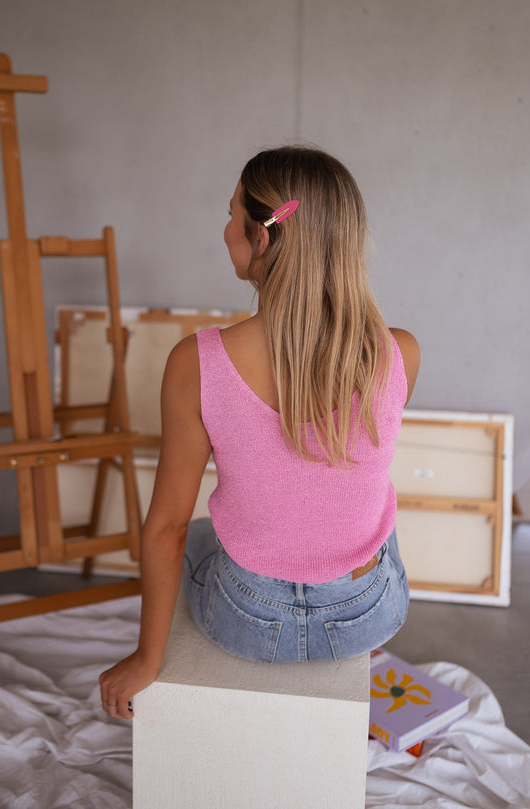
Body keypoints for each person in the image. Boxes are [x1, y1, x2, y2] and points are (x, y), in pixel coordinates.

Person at [99, 146, 420, 719]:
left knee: (198, 531)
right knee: (377, 512)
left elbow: (167, 527)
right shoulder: (399, 353)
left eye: (231, 214)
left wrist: (146, 659)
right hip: (367, 615)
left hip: (249, 623)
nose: (225, 230)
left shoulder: (195, 363)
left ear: (264, 238)